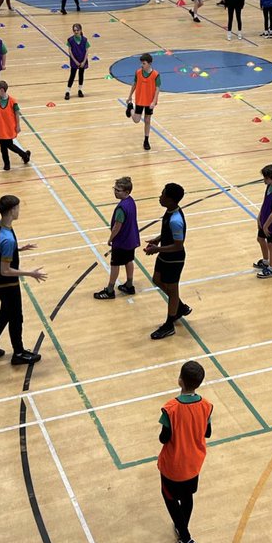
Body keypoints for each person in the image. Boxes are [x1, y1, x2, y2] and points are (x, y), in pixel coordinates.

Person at [0, 194, 46, 365]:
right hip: (6, 282)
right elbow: (6, 270)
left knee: (6, 312)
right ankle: (18, 353)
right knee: (16, 316)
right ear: (12, 210)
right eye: (18, 207)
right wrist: (30, 273)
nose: (19, 210)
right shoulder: (7, 239)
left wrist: (19, 249)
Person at [155, 362, 212, 543]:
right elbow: (208, 432)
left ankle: (186, 540)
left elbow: (164, 438)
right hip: (194, 463)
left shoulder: (170, 409)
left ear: (180, 380)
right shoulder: (206, 406)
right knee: (187, 497)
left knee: (169, 497)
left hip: (174, 465)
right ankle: (182, 528)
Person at [144, 183, 190, 339]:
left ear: (170, 199)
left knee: (172, 291)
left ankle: (169, 325)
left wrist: (157, 249)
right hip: (165, 256)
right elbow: (167, 233)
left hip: (174, 260)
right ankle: (180, 307)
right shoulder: (169, 211)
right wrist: (157, 240)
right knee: (156, 279)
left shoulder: (176, 220)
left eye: (163, 194)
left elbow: (178, 246)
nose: (160, 196)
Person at [93, 176, 140, 299]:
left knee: (115, 264)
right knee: (129, 260)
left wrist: (110, 239)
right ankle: (129, 285)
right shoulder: (131, 201)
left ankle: (109, 290)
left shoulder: (121, 208)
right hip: (131, 239)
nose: (115, 192)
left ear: (126, 192)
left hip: (121, 241)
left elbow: (117, 227)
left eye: (118, 190)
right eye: (115, 189)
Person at [0, 81, 31, 170]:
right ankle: (7, 164)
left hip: (9, 127)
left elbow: (17, 114)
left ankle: (24, 155)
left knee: (9, 145)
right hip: (0, 126)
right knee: (3, 147)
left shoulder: (13, 101)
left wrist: (18, 125)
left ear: (2, 90)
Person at [126, 53, 160, 151]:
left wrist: (154, 101)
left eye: (144, 63)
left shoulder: (155, 75)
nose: (142, 65)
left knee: (147, 120)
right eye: (142, 63)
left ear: (149, 64)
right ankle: (130, 107)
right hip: (140, 99)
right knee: (136, 120)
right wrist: (129, 97)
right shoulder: (138, 72)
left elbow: (157, 89)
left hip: (149, 101)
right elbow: (134, 84)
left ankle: (146, 140)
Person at [65, 22, 90, 99]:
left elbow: (87, 51)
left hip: (82, 59)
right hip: (74, 60)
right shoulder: (70, 40)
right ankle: (67, 91)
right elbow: (70, 51)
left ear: (80, 30)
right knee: (72, 75)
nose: (76, 32)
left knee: (81, 75)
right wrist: (75, 61)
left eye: (77, 30)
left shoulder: (85, 40)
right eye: (74, 30)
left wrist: (84, 61)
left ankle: (80, 90)